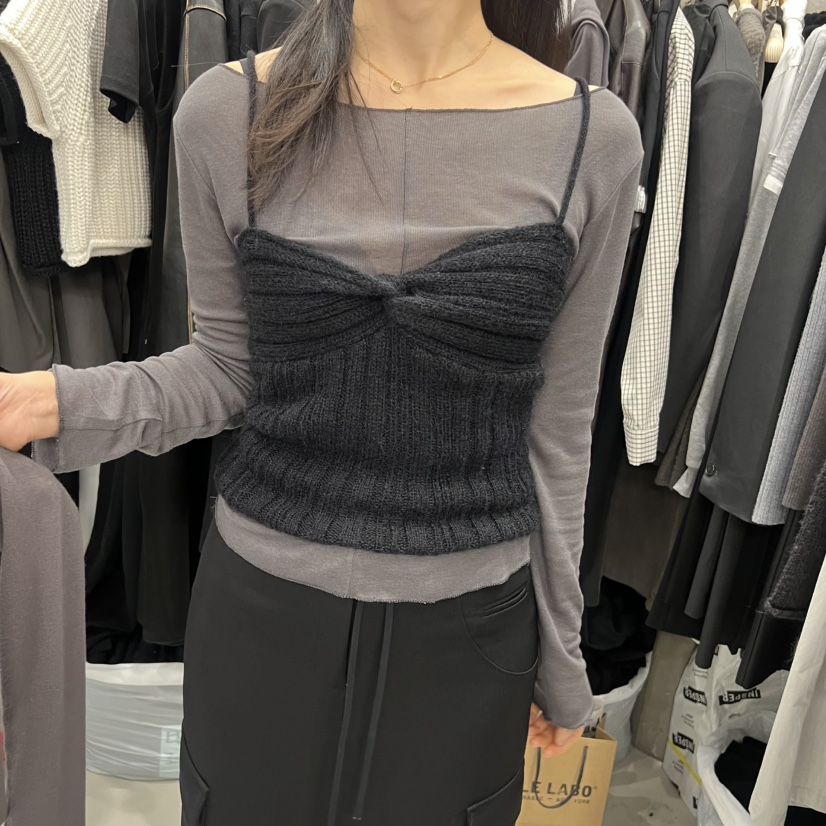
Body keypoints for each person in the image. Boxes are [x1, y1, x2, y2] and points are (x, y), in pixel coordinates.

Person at [0, 0, 642, 823]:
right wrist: (47, 398)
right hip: (262, 618)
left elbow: (558, 428)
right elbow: (228, 367)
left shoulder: (591, 137)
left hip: (472, 638)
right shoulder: (228, 111)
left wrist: (560, 656)